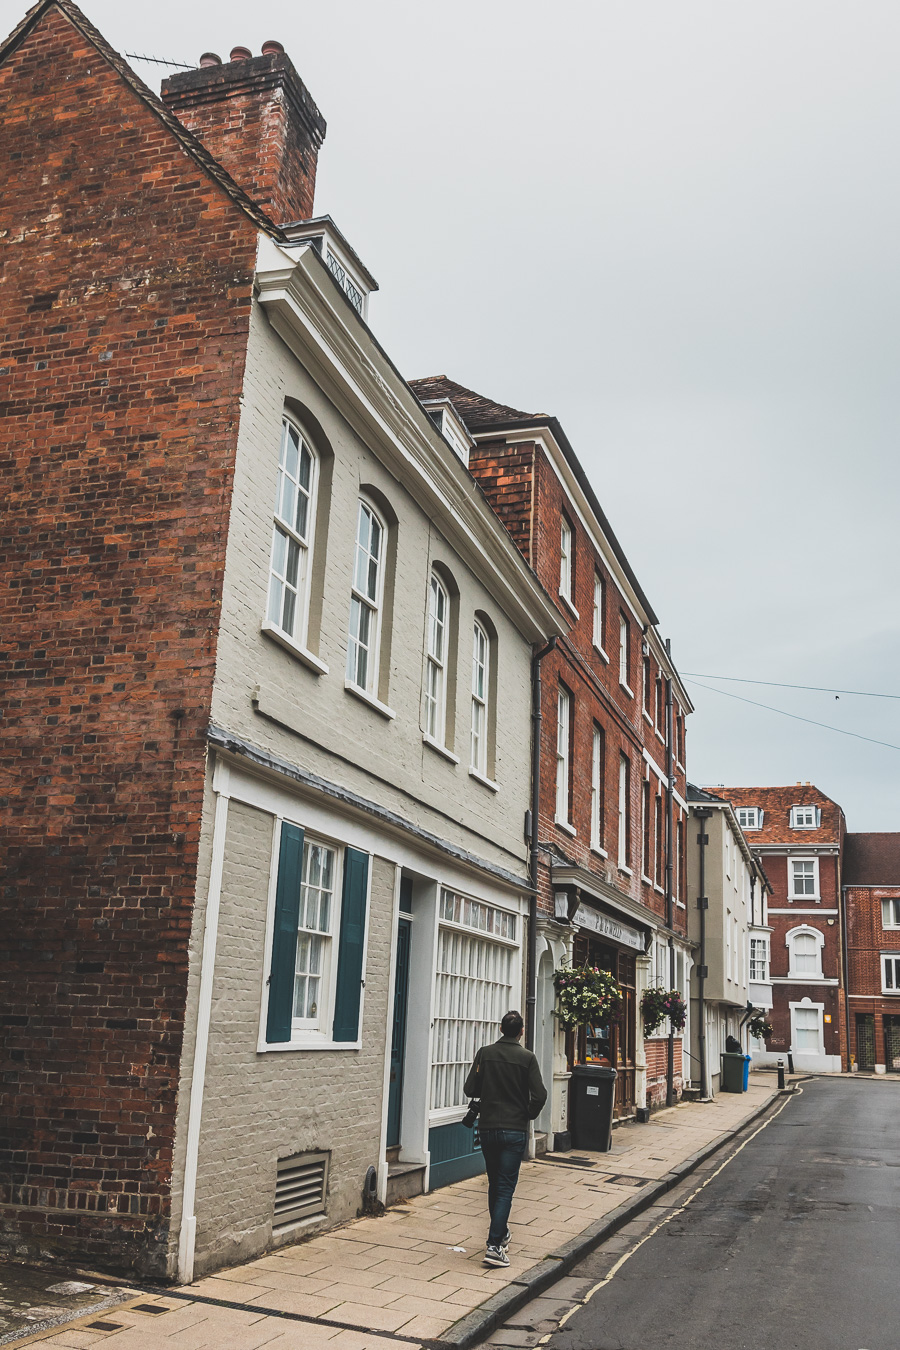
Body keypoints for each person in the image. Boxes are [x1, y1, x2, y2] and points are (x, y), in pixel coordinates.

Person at [464, 1009, 547, 1268]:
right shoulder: (527, 1057)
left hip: (488, 1128)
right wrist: (527, 1114)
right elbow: (540, 1095)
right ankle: (493, 1246)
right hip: (514, 1130)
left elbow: (470, 1089)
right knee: (505, 1188)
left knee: (495, 1183)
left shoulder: (485, 1054)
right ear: (521, 1031)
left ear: (501, 1029)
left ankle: (500, 1234)